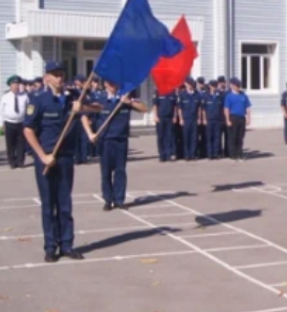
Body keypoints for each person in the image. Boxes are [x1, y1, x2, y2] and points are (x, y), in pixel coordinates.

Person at [23, 61, 100, 262]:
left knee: (65, 204)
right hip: (47, 157)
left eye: (62, 74)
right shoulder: (38, 100)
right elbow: (28, 130)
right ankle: (50, 247)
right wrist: (42, 156)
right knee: (49, 205)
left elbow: (99, 107)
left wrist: (82, 106)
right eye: (55, 74)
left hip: (66, 156)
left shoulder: (73, 97)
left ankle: (67, 245)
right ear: (46, 77)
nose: (60, 78)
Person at [83, 79, 147, 211]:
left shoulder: (125, 98)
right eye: (110, 83)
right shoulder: (100, 99)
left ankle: (119, 199)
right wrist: (90, 133)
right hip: (105, 140)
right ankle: (108, 200)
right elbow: (84, 115)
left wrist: (129, 102)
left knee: (120, 171)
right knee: (106, 172)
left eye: (115, 83)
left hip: (121, 140)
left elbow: (144, 108)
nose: (113, 86)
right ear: (105, 84)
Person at [0, 75, 28, 169]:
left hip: (21, 123)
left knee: (21, 143)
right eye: (14, 84)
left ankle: (20, 161)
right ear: (10, 86)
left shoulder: (25, 97)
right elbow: (0, 111)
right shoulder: (5, 97)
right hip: (9, 122)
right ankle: (12, 162)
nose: (16, 86)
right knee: (10, 144)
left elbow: (29, 110)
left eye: (18, 84)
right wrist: (0, 123)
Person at [224, 78, 252, 161]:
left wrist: (248, 118)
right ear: (232, 85)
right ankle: (233, 154)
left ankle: (240, 154)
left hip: (241, 118)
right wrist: (227, 120)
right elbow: (226, 109)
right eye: (237, 85)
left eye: (239, 85)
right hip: (233, 117)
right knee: (233, 137)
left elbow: (247, 107)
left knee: (240, 137)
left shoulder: (243, 95)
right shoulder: (229, 96)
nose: (238, 87)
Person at [178, 78, 202, 162]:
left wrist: (199, 118)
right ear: (186, 84)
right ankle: (187, 155)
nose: (191, 85)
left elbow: (199, 108)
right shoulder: (182, 95)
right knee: (186, 137)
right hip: (186, 119)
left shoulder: (197, 95)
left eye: (192, 84)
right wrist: (181, 119)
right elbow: (180, 109)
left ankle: (193, 154)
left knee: (194, 138)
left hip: (194, 119)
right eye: (189, 84)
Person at [152, 88, 178, 162]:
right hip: (161, 118)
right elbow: (155, 105)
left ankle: (168, 154)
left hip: (169, 118)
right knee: (161, 136)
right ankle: (161, 155)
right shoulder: (158, 92)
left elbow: (175, 106)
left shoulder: (172, 93)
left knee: (169, 136)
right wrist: (155, 116)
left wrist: (175, 116)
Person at [202, 80, 225, 160]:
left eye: (215, 86)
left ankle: (215, 153)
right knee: (209, 137)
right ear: (210, 86)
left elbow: (222, 108)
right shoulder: (206, 96)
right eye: (212, 86)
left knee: (217, 137)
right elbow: (204, 109)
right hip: (209, 119)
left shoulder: (220, 96)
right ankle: (210, 154)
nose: (214, 88)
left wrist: (223, 119)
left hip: (218, 119)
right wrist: (204, 119)